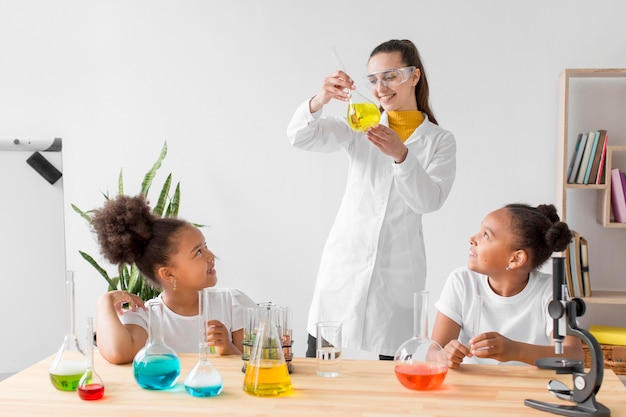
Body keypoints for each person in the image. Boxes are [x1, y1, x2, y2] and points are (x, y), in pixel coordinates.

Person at [286, 39, 456, 359]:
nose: (381, 87)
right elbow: (300, 136)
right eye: (374, 80)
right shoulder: (361, 126)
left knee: (390, 370)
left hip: (397, 273)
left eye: (390, 76)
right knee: (320, 363)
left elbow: (429, 201)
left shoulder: (440, 141)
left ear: (414, 76)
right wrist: (321, 99)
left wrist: (402, 156)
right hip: (345, 264)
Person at [92, 194, 256, 365]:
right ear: (168, 274)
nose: (211, 256)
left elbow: (261, 367)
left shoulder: (232, 303)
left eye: (205, 246)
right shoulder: (147, 318)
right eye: (198, 252)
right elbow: (118, 353)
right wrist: (105, 301)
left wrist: (228, 349)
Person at [431, 203, 584, 368]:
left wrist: (514, 350)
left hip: (526, 389)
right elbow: (432, 352)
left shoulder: (550, 291)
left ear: (516, 259)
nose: (472, 239)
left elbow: (573, 355)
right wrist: (444, 356)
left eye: (486, 235)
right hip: (472, 388)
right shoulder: (461, 282)